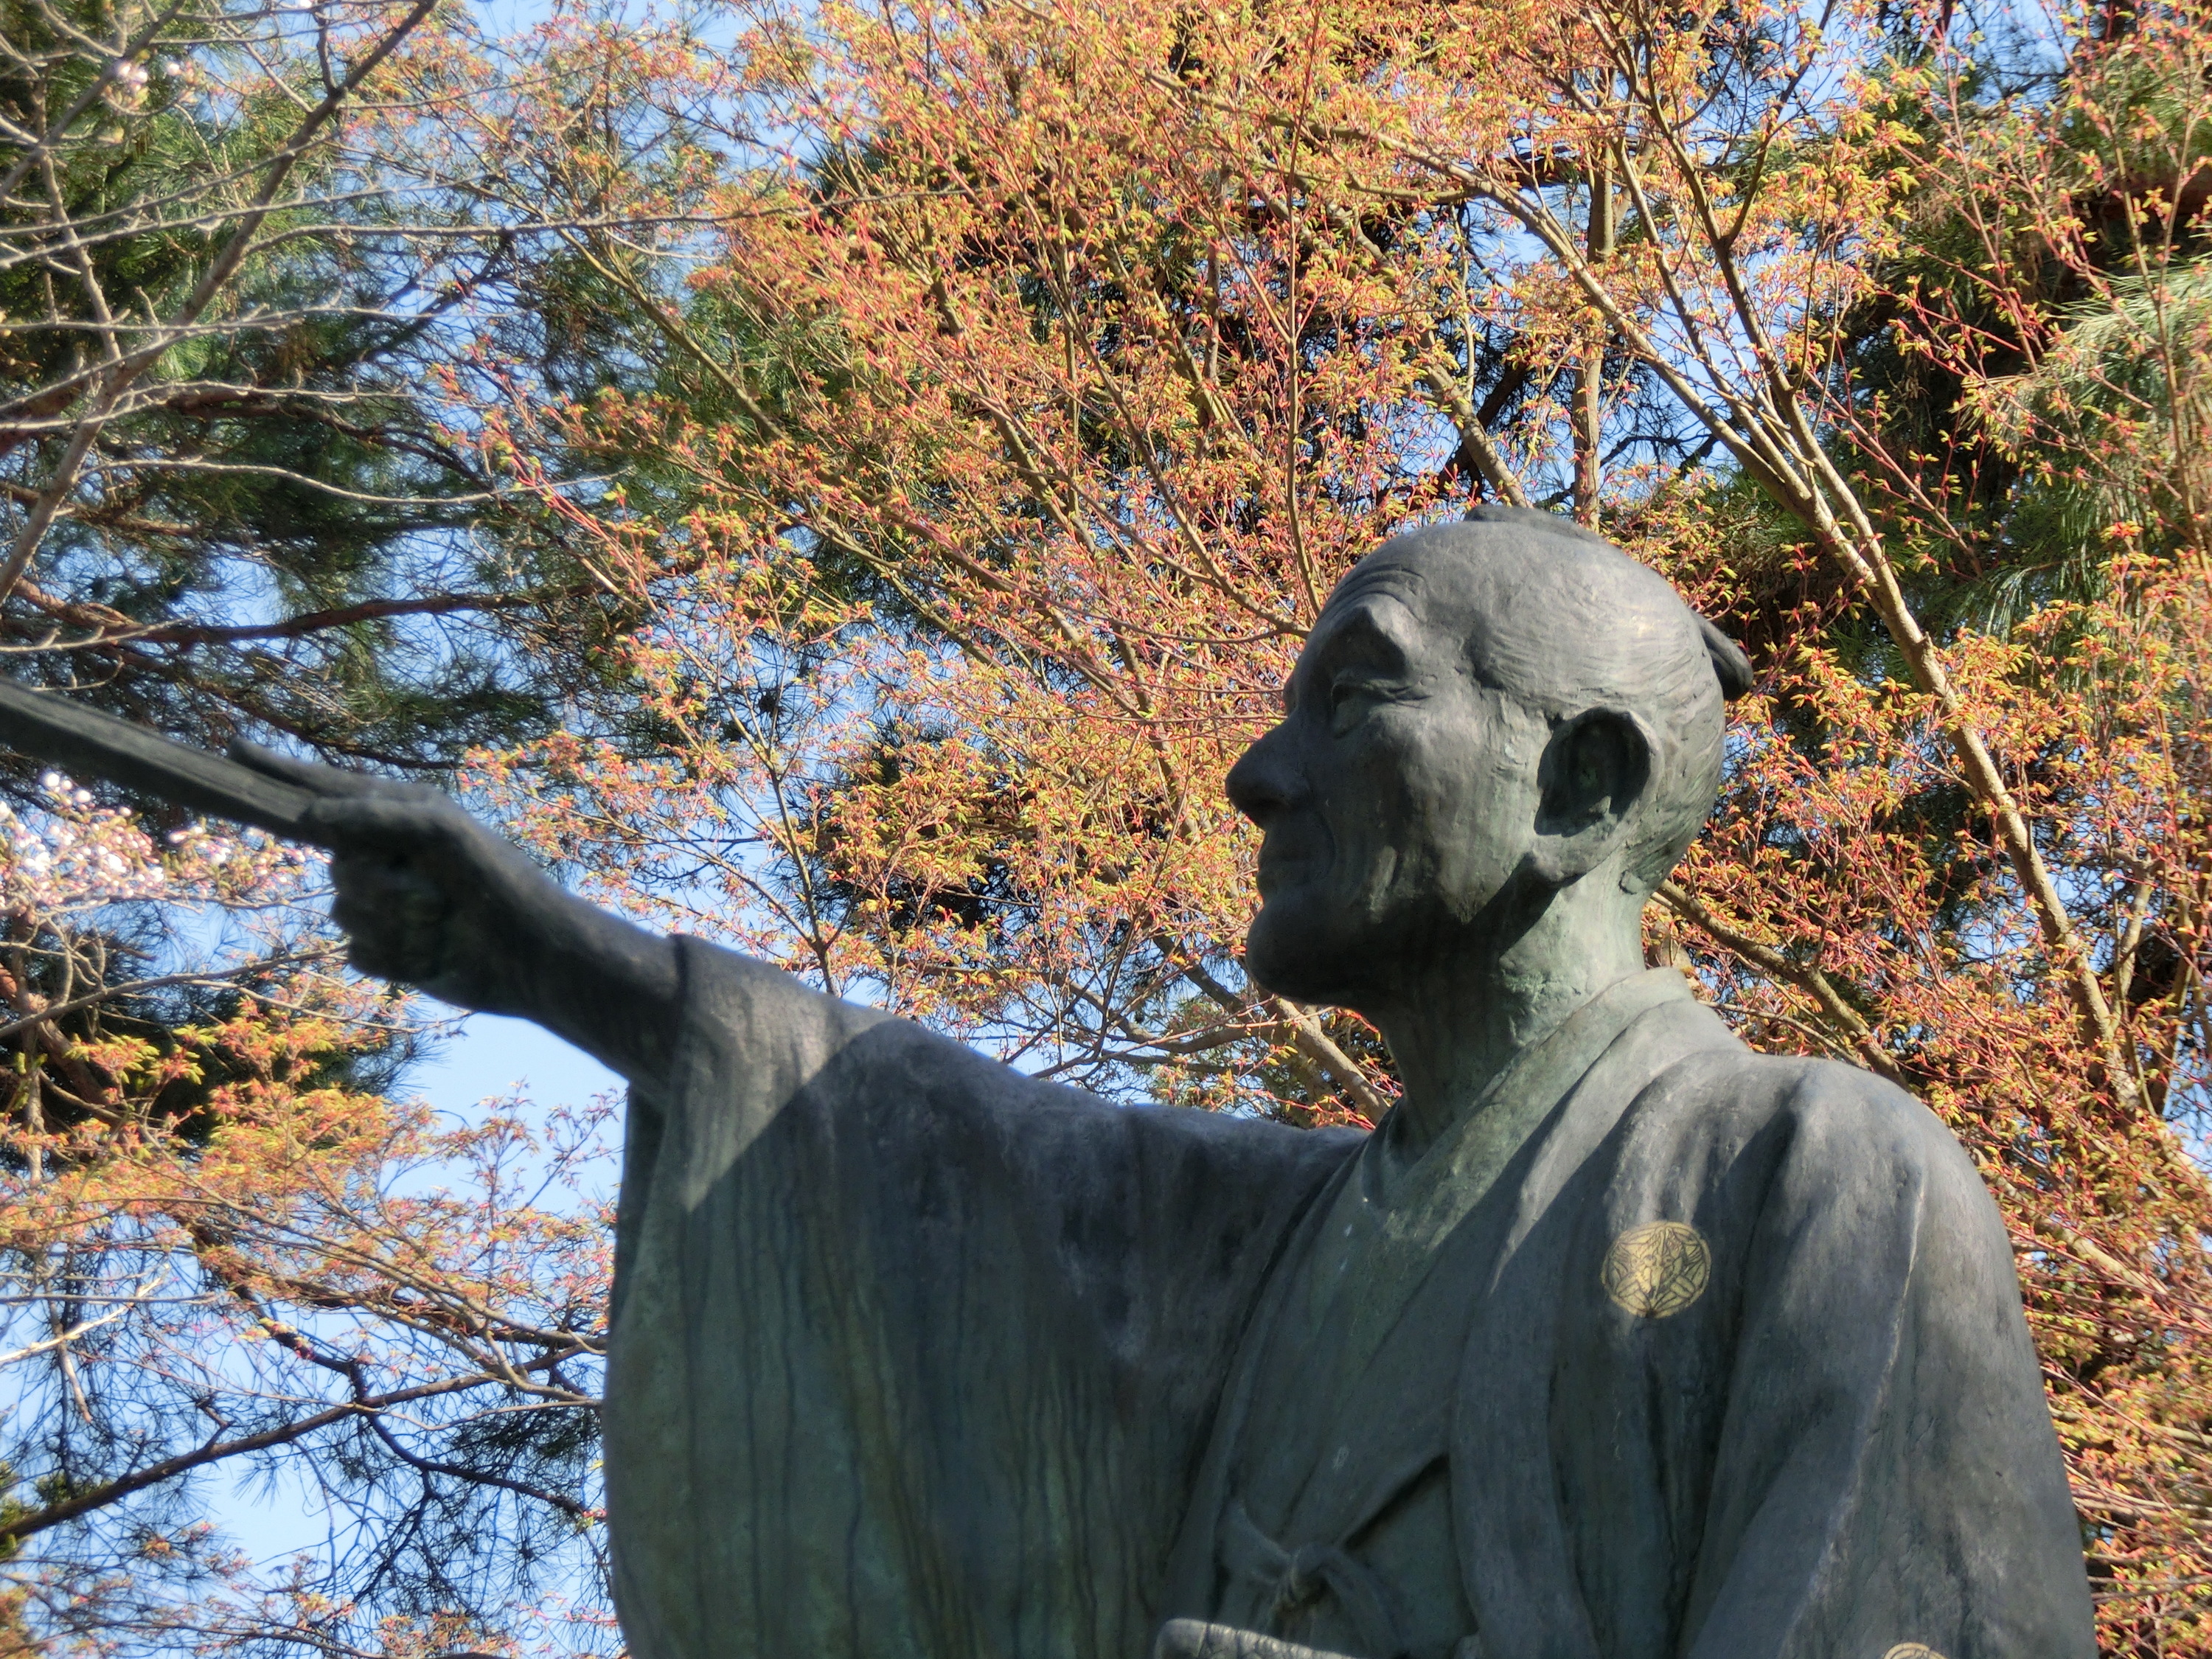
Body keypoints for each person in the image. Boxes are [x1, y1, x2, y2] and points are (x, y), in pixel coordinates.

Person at [239, 507, 2095, 1659]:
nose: (1257, 777)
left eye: (1352, 701)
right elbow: (941, 1155)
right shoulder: (1268, 1235)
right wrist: (562, 961)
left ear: (1581, 785)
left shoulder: (1807, 1176)